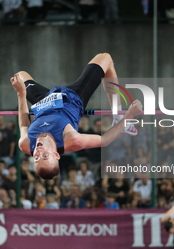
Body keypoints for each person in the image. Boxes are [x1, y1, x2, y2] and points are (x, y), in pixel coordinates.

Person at [11, 53, 143, 180]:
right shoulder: (71, 140)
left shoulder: (26, 144)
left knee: (20, 75)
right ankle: (118, 117)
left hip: (44, 101)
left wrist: (21, 94)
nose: (38, 153)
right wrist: (129, 115)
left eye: (36, 158)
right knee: (105, 58)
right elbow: (104, 140)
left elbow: (23, 124)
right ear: (56, 154)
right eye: (45, 156)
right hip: (73, 97)